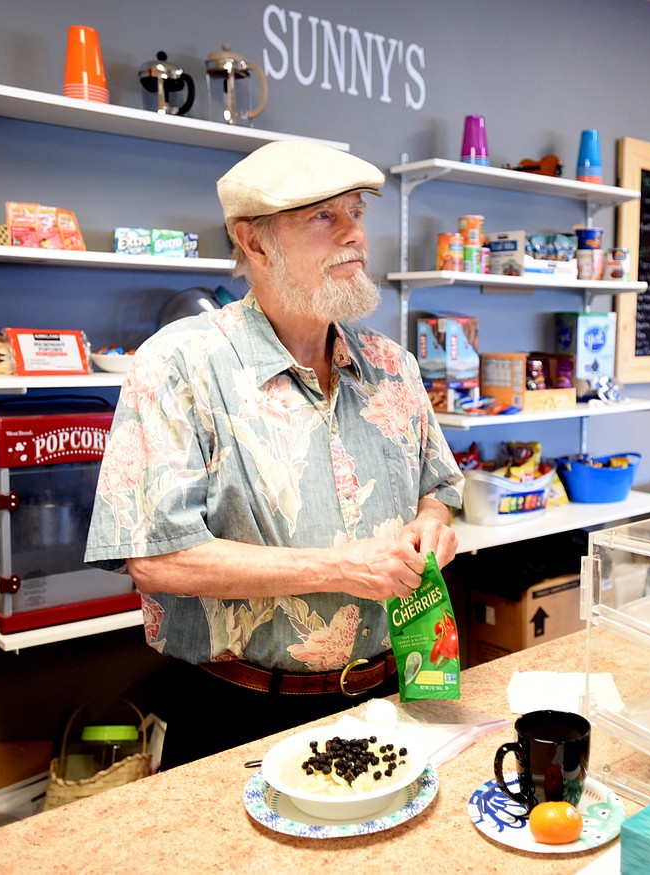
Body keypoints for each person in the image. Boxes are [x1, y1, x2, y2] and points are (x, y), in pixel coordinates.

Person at [84, 141, 464, 767]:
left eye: (357, 213)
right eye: (324, 218)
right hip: (240, 716)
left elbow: (438, 488)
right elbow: (158, 559)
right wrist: (341, 568)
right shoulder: (178, 366)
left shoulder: (392, 365)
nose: (355, 238)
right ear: (254, 243)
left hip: (394, 694)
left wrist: (431, 525)